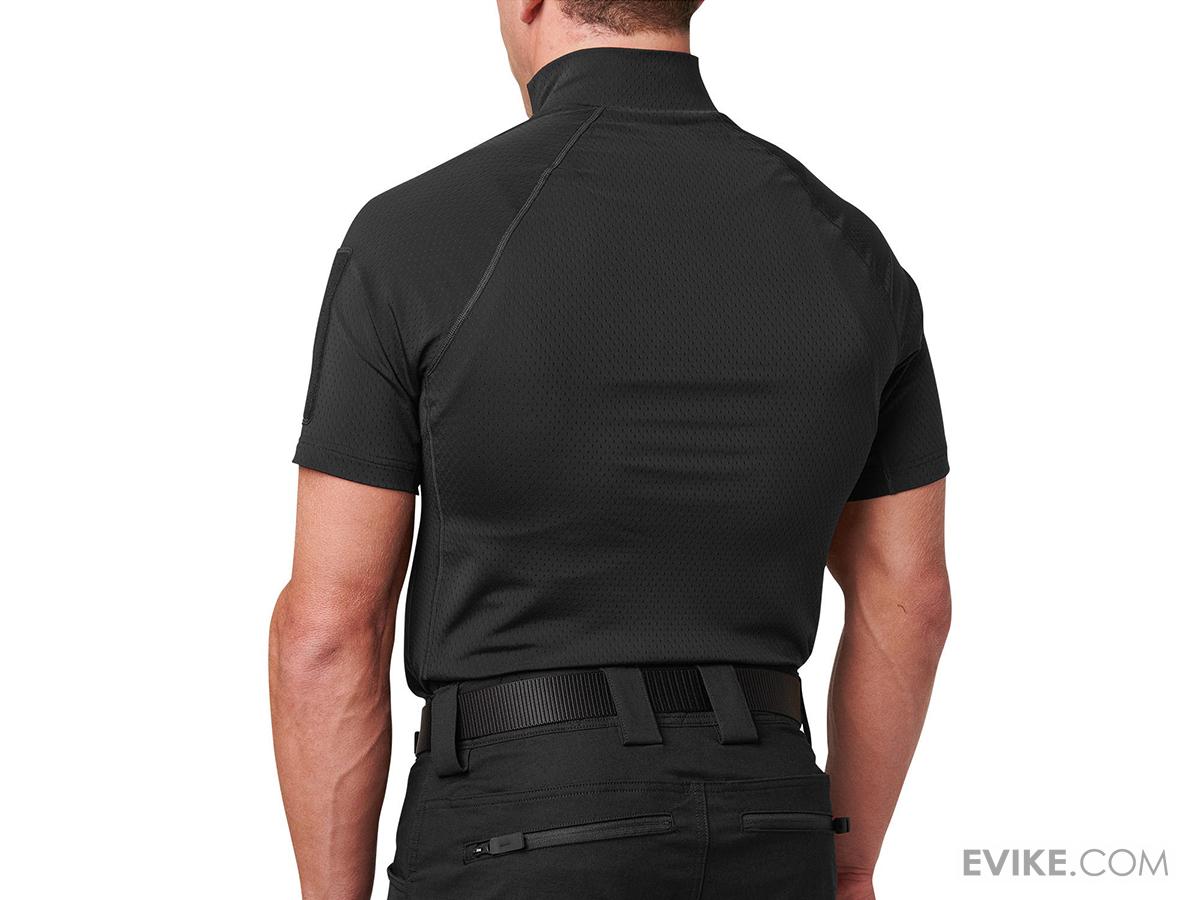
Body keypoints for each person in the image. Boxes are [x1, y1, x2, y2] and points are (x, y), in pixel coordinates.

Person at [269, 1, 952, 897]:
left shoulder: (416, 237)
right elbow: (910, 599)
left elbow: (327, 631)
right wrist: (847, 864)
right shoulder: (855, 255)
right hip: (775, 822)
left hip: (520, 831)